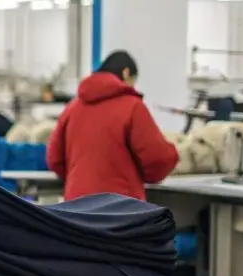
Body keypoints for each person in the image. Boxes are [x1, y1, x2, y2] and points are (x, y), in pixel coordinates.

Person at [47, 50, 178, 201]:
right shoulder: (132, 107)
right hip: (119, 209)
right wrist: (173, 153)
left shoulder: (72, 108)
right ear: (126, 73)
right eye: (133, 82)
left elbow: (54, 160)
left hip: (76, 208)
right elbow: (157, 160)